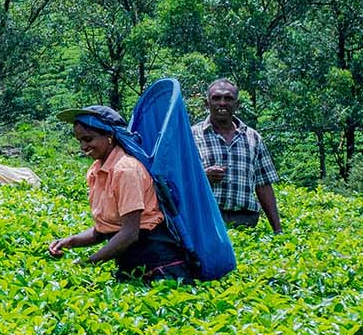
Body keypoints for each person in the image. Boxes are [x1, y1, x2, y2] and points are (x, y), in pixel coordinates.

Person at [46, 105, 191, 283]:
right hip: (130, 265)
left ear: (109, 136)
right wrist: (70, 241)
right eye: (80, 141)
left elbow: (130, 233)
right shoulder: (96, 171)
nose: (83, 147)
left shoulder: (126, 169)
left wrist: (88, 263)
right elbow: (104, 229)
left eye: (88, 139)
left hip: (159, 267)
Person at [191, 79, 282, 232]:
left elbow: (264, 185)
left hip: (245, 220)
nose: (222, 103)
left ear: (237, 105)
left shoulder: (253, 137)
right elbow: (177, 179)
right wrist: (203, 176)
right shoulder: (191, 136)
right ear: (207, 104)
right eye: (216, 98)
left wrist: (278, 230)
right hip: (205, 218)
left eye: (228, 98)